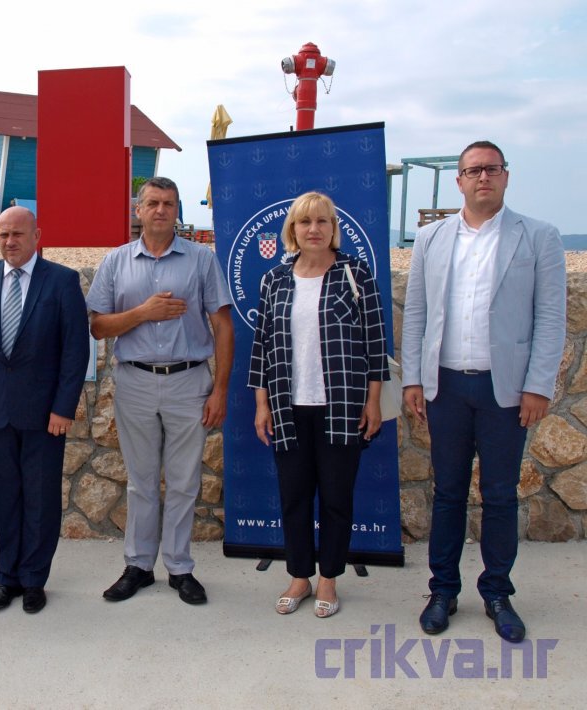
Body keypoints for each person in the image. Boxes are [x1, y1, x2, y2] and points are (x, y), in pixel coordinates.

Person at [402, 141, 566, 642]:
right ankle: (443, 591)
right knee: (448, 492)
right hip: (446, 386)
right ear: (459, 181)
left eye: (491, 169)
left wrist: (537, 386)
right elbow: (417, 312)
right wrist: (414, 378)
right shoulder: (431, 238)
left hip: (505, 390)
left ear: (505, 176)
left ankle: (497, 592)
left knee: (499, 495)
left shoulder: (538, 237)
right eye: (473, 170)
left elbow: (550, 318)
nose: (482, 177)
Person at [86, 177, 233, 605]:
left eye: (168, 203)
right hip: (135, 381)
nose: (160, 210)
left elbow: (223, 326)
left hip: (189, 381)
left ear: (177, 210)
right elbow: (98, 326)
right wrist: (144, 313)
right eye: (152, 203)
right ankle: (138, 565)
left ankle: (180, 568)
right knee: (142, 481)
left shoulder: (201, 260)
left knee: (185, 481)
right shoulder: (116, 262)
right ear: (138, 210)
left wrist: (220, 390)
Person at [248, 191, 388, 618]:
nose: (314, 229)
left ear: (333, 228)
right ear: (292, 229)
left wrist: (374, 401)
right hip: (288, 407)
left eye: (322, 221)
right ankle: (299, 577)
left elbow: (376, 342)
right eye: (305, 222)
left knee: (335, 498)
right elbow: (261, 346)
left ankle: (328, 579)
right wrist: (261, 404)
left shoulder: (355, 274)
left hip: (342, 407)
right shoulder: (275, 279)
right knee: (293, 497)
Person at [0, 206, 90, 614]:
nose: (9, 242)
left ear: (36, 236)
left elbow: (75, 351)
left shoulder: (62, 281)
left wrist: (63, 408)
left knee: (41, 500)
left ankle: (33, 580)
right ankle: (6, 578)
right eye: (3, 234)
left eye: (17, 234)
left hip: (45, 416)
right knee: (5, 498)